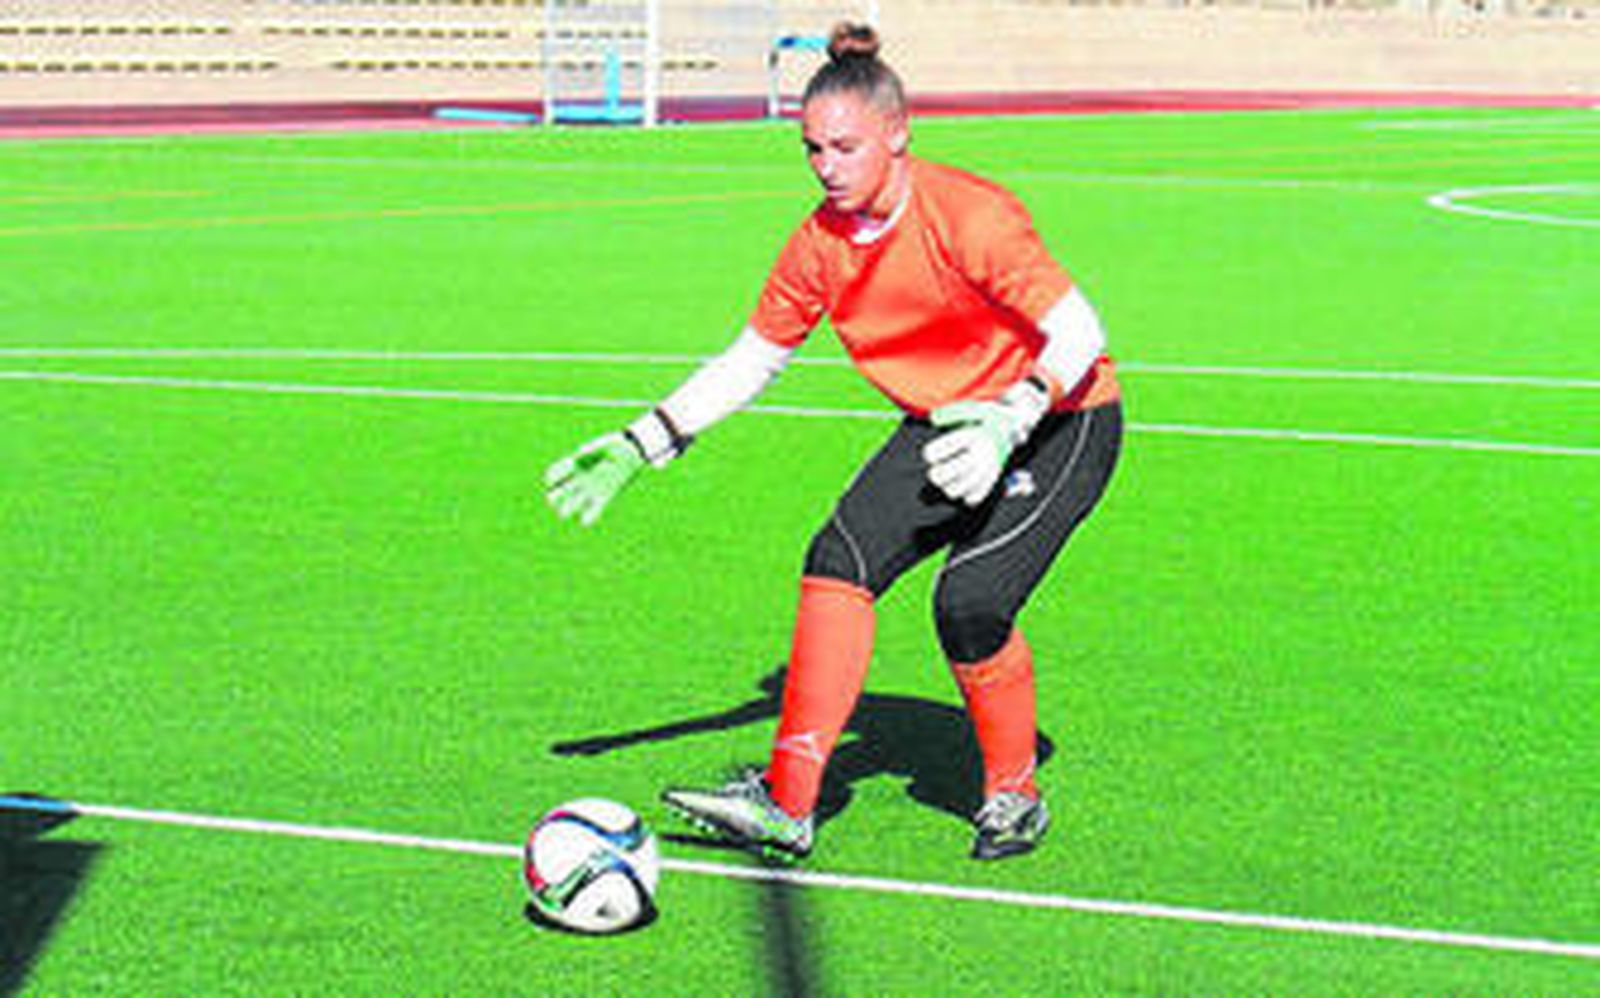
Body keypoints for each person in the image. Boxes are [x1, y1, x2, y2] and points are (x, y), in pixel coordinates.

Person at [545, 23, 1121, 861]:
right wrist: (646, 439)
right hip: (948, 425)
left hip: (1064, 420)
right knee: (838, 559)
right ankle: (788, 802)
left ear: (898, 135)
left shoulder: (969, 215)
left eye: (844, 146)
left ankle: (1012, 793)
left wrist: (1014, 413)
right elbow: (752, 360)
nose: (826, 165)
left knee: (968, 605)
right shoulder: (817, 244)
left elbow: (1079, 330)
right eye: (812, 148)